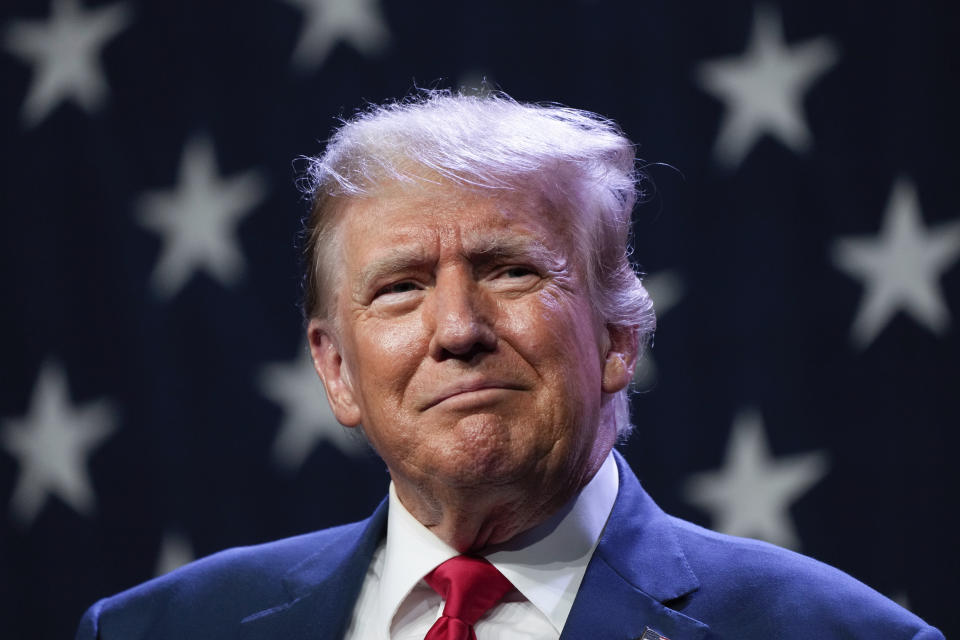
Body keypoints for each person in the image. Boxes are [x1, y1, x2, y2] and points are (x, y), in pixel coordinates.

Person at [76, 91, 944, 639]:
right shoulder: (158, 628)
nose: (456, 328)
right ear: (335, 370)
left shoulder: (836, 634)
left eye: (511, 270)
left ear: (617, 338)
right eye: (402, 287)